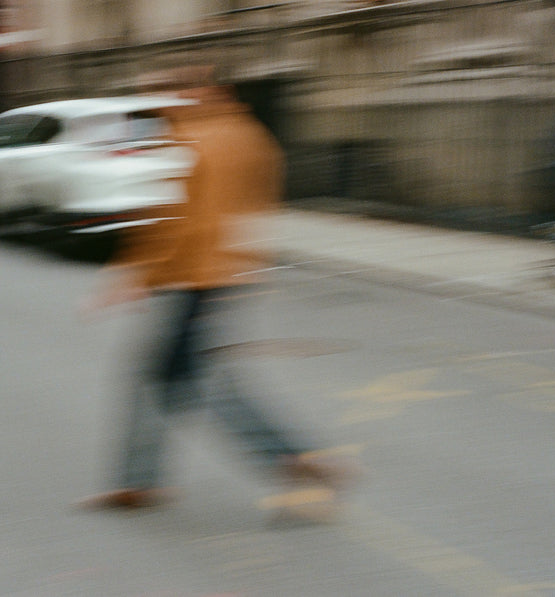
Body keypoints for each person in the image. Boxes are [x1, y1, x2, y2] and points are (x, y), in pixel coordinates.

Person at [80, 67, 354, 515]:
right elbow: (250, 204)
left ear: (212, 92)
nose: (168, 98)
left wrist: (136, 276)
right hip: (222, 276)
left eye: (180, 89)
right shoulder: (248, 135)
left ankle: (303, 463)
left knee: (198, 388)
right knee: (164, 382)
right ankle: (138, 482)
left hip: (195, 281)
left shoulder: (192, 141)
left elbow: (179, 221)